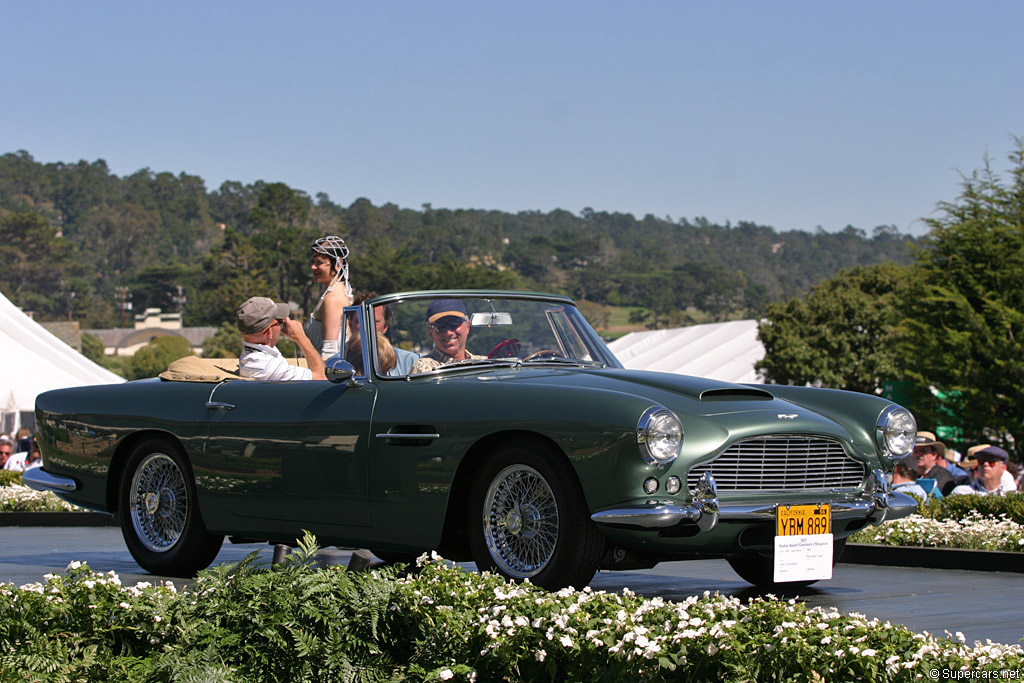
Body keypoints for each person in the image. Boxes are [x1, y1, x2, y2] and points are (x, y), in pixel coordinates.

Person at [236, 296, 326, 381]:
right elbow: (322, 378)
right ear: (269, 332)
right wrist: (301, 338)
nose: (283, 325)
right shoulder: (269, 367)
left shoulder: (249, 357)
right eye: (279, 321)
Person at [306, 236, 353, 360]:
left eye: (319, 263)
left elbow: (329, 352)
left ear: (338, 263)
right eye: (313, 262)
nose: (313, 267)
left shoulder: (332, 299)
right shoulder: (341, 292)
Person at [353, 291, 419, 376]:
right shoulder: (336, 364)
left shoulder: (411, 361)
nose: (367, 327)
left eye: (375, 321)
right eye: (361, 320)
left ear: (385, 327)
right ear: (350, 324)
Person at [410, 299, 485, 374]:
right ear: (430, 333)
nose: (448, 333)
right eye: (440, 326)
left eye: (454, 324)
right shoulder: (424, 367)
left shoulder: (485, 363)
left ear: (467, 326)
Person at [912, 431, 956, 496]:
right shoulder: (908, 474)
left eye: (924, 450)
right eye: (915, 451)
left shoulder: (943, 476)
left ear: (934, 455)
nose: (919, 454)